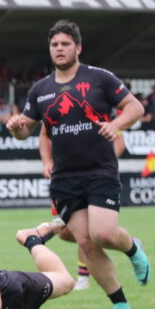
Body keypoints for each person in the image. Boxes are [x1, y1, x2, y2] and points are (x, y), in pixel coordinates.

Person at [6, 19, 149, 309]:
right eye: (54, 45)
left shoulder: (100, 78)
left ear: (78, 48)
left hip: (100, 169)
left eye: (65, 44)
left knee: (104, 234)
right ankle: (120, 304)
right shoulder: (40, 90)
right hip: (65, 178)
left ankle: (133, 250)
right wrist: (16, 128)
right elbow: (28, 131)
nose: (59, 49)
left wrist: (116, 125)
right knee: (84, 240)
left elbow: (135, 107)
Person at [39, 119, 127, 291]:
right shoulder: (53, 105)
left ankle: (83, 276)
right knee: (65, 232)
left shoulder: (95, 104)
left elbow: (119, 140)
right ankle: (121, 242)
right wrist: (47, 162)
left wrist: (104, 163)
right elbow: (44, 134)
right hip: (64, 179)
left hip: (93, 179)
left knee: (84, 232)